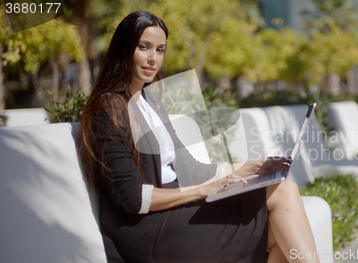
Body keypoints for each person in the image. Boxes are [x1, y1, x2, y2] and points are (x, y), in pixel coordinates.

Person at [77, 11, 319, 263]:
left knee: (286, 236)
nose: (153, 59)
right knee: (283, 197)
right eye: (144, 47)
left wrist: (256, 168)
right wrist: (201, 191)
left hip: (178, 212)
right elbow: (132, 197)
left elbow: (191, 168)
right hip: (149, 230)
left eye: (160, 50)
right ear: (124, 48)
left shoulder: (152, 104)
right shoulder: (108, 107)